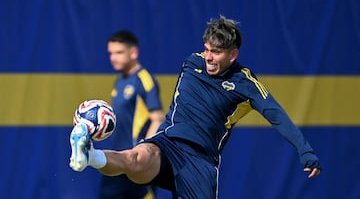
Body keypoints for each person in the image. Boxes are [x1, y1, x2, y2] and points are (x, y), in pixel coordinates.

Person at [70, 16, 321, 199]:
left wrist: (305, 151)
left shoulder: (246, 84)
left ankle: (91, 154)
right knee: (135, 160)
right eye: (207, 50)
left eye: (217, 52)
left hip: (199, 160)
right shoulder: (192, 63)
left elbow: (276, 114)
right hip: (168, 142)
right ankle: (88, 154)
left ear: (233, 55)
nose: (209, 57)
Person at [98, 30, 164, 199]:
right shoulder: (119, 81)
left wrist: (145, 152)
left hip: (137, 163)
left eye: (119, 52)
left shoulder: (144, 79)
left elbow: (157, 118)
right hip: (117, 160)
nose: (113, 57)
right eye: (110, 53)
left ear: (133, 52)